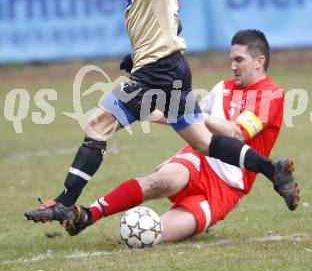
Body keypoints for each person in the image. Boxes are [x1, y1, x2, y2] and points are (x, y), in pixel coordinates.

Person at [24, 0, 299, 224]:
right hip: (171, 68)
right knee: (204, 143)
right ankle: (273, 169)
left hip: (155, 73)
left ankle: (65, 202)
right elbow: (172, 23)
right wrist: (139, 52)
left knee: (98, 124)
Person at [63, 29, 299, 241]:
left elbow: (236, 133)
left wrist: (191, 114)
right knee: (161, 181)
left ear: (260, 61)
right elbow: (184, 119)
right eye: (231, 60)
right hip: (199, 157)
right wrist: (149, 112)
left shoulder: (271, 95)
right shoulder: (222, 88)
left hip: (227, 187)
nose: (233, 66)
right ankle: (88, 215)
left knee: (154, 234)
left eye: (239, 60)